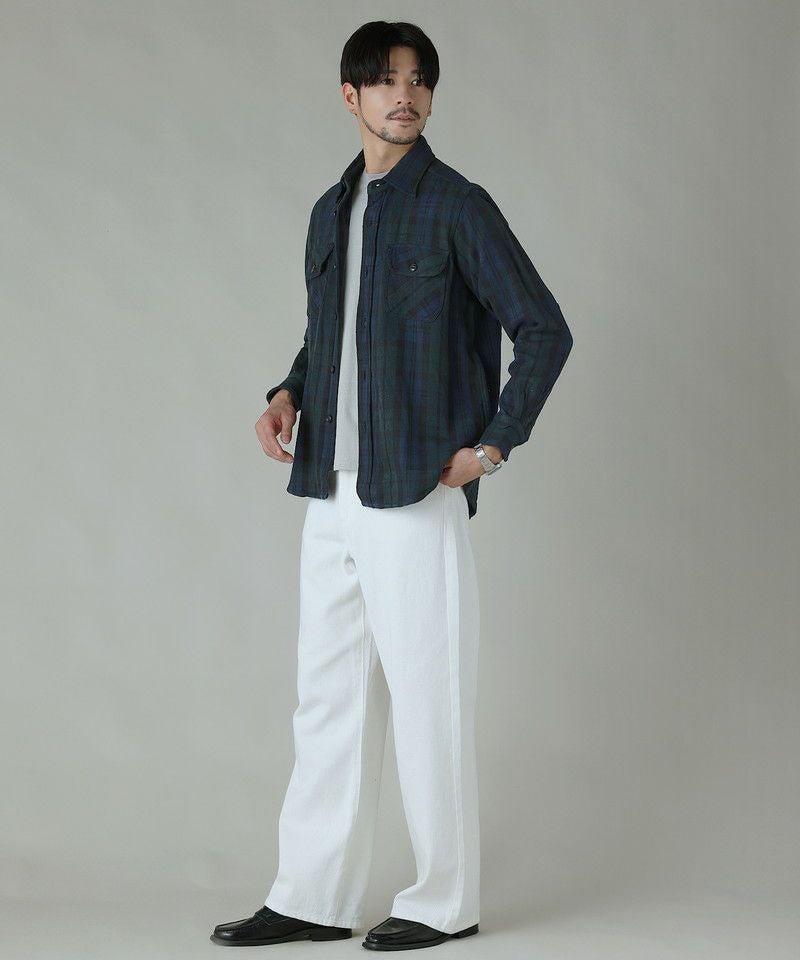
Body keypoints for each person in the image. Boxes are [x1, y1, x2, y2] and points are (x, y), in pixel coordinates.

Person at [211, 19, 573, 952]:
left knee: (428, 697)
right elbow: (328, 333)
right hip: (328, 487)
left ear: (430, 95)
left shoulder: (458, 205)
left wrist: (493, 446)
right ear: (352, 96)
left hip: (415, 486)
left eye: (417, 81)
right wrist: (288, 392)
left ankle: (445, 901)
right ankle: (312, 896)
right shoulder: (330, 210)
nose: (403, 95)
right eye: (384, 81)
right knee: (327, 699)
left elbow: (543, 328)